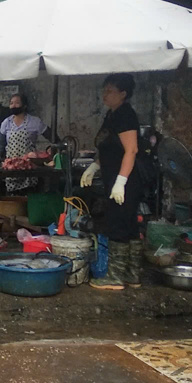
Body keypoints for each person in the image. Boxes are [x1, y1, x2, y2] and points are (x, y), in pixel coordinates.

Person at [81, 73, 143, 291]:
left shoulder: (126, 115)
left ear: (123, 94)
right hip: (113, 177)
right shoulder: (112, 115)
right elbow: (109, 148)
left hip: (125, 181)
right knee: (129, 225)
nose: (104, 95)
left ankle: (115, 278)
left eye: (110, 91)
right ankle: (132, 276)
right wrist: (94, 167)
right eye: (104, 90)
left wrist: (121, 182)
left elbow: (131, 150)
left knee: (118, 224)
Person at [0, 93, 50, 192]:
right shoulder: (6, 123)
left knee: (29, 192)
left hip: (29, 167)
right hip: (11, 167)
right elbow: (1, 146)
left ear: (24, 106)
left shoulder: (34, 122)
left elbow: (52, 137)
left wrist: (54, 150)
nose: (13, 106)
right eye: (11, 103)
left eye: (17, 103)